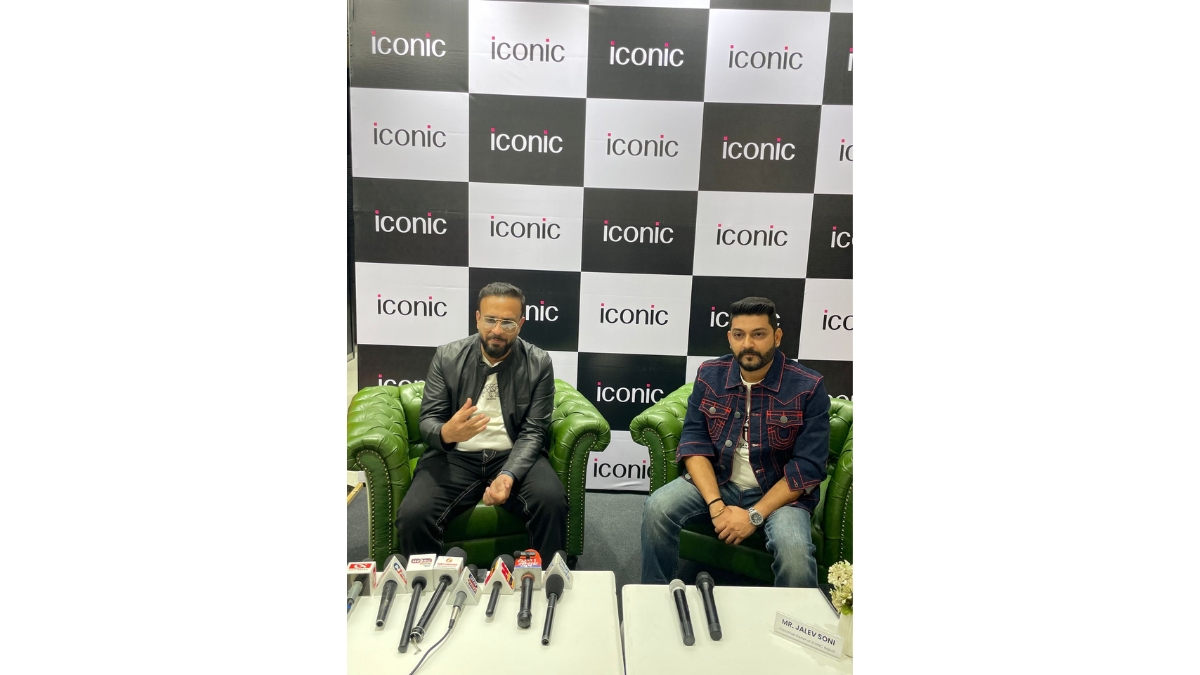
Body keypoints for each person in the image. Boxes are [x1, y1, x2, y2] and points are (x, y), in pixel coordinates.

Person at [640, 297, 830, 587]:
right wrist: (716, 505)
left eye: (759, 334)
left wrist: (754, 516)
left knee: (796, 559)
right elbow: (694, 442)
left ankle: (792, 618)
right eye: (739, 335)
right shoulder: (709, 375)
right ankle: (653, 598)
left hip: (777, 494)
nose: (748, 344)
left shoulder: (808, 386)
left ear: (777, 337)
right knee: (657, 508)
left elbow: (807, 468)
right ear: (730, 338)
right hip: (720, 481)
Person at [395, 282, 566, 563]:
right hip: (454, 456)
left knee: (552, 502)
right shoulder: (447, 357)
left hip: (513, 454)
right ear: (477, 318)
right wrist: (446, 432)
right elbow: (428, 421)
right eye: (490, 320)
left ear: (520, 324)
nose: (497, 330)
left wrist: (508, 474)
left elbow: (534, 430)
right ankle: (430, 583)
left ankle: (543, 579)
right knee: (413, 515)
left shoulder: (539, 363)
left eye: (507, 322)